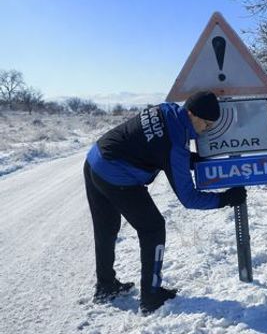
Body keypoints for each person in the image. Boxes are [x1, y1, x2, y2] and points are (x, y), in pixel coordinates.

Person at [83, 90, 247, 313]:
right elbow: (189, 198)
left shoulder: (167, 109)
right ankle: (151, 296)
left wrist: (190, 159)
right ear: (192, 114)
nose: (207, 130)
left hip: (95, 159)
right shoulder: (176, 143)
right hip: (116, 173)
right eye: (206, 124)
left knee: (106, 228)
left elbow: (156, 145)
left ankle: (106, 286)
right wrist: (225, 198)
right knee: (153, 227)